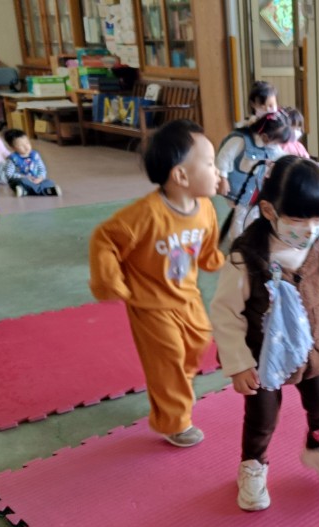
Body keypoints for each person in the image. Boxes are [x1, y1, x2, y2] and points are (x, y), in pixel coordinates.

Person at [209, 155, 319, 511]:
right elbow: (225, 313)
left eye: (318, 220)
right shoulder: (246, 258)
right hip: (262, 354)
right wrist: (238, 363)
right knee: (262, 417)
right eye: (299, 220)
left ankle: (318, 448)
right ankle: (253, 466)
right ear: (269, 211)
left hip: (309, 347)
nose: (310, 229)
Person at [89, 119, 224, 448]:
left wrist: (212, 259)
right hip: (150, 304)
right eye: (210, 164)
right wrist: (109, 279)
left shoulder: (205, 207)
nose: (218, 171)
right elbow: (104, 239)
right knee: (168, 359)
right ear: (181, 176)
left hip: (188, 297)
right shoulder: (145, 214)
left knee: (199, 343)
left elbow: (207, 241)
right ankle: (174, 421)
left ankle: (175, 387)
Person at [216, 110, 292, 210]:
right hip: (233, 192)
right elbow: (223, 158)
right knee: (235, 216)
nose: (276, 146)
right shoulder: (241, 139)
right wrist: (223, 179)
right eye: (276, 143)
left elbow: (280, 155)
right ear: (265, 137)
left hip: (253, 194)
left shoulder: (271, 146)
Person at [3, 129, 61, 197]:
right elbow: (9, 174)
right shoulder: (12, 159)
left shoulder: (35, 155)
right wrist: (25, 177)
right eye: (21, 145)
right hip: (22, 180)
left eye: (27, 143)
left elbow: (42, 168)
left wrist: (40, 177)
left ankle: (26, 192)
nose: (26, 147)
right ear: (13, 148)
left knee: (50, 182)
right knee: (23, 182)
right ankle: (46, 191)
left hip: (36, 179)